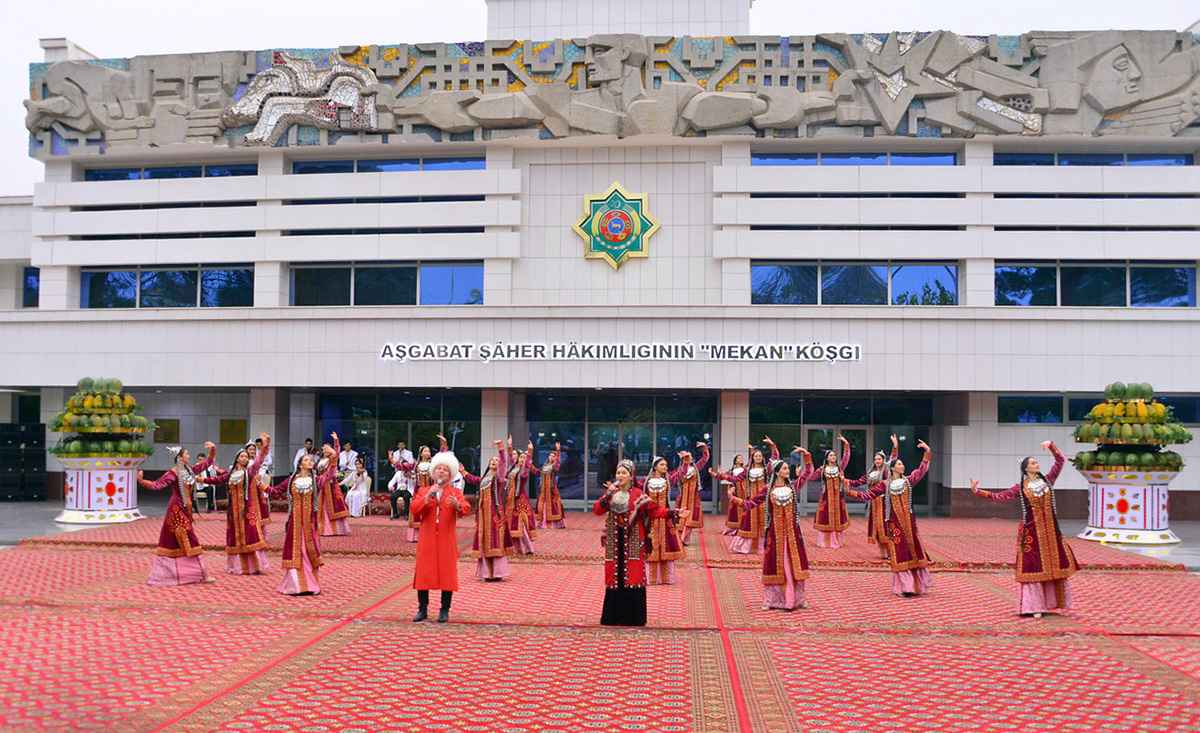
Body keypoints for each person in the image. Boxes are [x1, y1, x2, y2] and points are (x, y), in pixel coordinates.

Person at [971, 441, 1078, 618]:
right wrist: (978, 491)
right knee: (1034, 567)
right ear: (1026, 468)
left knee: (1054, 564)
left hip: (1051, 532)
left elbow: (1060, 461)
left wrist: (1051, 446)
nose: (1037, 465)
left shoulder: (1048, 480)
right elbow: (999, 497)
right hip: (1032, 533)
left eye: (1037, 462)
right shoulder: (1020, 487)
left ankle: (1051, 603)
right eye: (1034, 463)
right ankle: (1035, 606)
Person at [594, 459, 676, 626]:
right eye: (618, 472)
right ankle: (613, 617)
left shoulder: (638, 494)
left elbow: (654, 510)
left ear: (631, 476)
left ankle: (634, 617)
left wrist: (672, 512)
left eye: (624, 473)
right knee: (614, 574)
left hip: (633, 538)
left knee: (633, 572)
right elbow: (597, 510)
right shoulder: (611, 494)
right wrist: (607, 494)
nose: (620, 476)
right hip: (614, 539)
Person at [848, 440, 934, 597]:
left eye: (902, 464)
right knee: (900, 553)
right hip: (894, 525)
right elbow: (868, 495)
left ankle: (916, 585)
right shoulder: (884, 484)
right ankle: (905, 586)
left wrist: (927, 452)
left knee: (913, 551)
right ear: (893, 468)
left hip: (909, 524)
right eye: (900, 464)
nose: (902, 466)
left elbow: (921, 470)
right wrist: (851, 492)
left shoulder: (908, 480)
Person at [732, 455, 813, 611]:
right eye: (784, 468)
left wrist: (807, 457)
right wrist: (734, 499)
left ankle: (797, 599)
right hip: (775, 535)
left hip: (792, 535)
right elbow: (751, 503)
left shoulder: (792, 487)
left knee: (794, 564)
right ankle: (773, 600)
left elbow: (808, 473)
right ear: (777, 472)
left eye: (787, 468)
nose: (787, 470)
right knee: (776, 565)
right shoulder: (768, 490)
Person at [137, 442, 217, 586]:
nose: (189, 456)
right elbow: (157, 485)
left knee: (177, 543)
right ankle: (201, 575)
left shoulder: (190, 470)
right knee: (189, 540)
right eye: (186, 454)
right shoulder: (173, 473)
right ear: (180, 457)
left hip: (185, 510)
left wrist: (212, 450)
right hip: (176, 511)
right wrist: (141, 481)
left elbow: (207, 464)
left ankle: (182, 575)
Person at [197, 433, 271, 575]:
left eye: (245, 456)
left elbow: (258, 461)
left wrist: (264, 447)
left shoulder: (249, 472)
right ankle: (236, 566)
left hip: (246, 509)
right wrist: (202, 480)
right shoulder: (230, 474)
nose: (243, 458)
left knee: (249, 535)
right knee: (234, 536)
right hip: (233, 511)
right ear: (237, 458)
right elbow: (217, 480)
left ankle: (252, 566)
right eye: (241, 456)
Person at [411, 451, 471, 622]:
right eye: (438, 468)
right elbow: (414, 509)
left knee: (447, 573)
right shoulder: (424, 490)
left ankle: (445, 609)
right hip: (427, 538)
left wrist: (458, 505)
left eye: (445, 469)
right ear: (433, 471)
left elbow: (466, 508)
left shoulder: (455, 492)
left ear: (450, 473)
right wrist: (427, 497)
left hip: (446, 538)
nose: (441, 471)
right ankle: (422, 609)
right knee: (423, 572)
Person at [279, 445, 335, 596]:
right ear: (300, 464)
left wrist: (333, 454)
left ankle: (310, 584)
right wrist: (262, 485)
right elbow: (275, 491)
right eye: (306, 459)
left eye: (311, 460)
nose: (310, 461)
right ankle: (295, 585)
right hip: (295, 523)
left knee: (308, 551)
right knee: (296, 551)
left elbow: (329, 474)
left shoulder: (315, 480)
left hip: (309, 524)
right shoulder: (291, 480)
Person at [464, 441, 514, 581]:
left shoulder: (499, 477)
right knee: (484, 541)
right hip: (483, 515)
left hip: (494, 514)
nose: (494, 462)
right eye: (492, 460)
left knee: (495, 540)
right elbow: (474, 480)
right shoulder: (485, 478)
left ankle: (497, 573)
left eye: (496, 461)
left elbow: (503, 464)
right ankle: (486, 573)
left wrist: (501, 449)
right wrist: (463, 472)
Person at [848, 435, 899, 559]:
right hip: (873, 503)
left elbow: (893, 458)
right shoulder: (871, 473)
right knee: (876, 529)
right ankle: (883, 553)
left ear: (883, 460)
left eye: (879, 459)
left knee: (886, 527)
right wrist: (845, 481)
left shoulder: (886, 470)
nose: (877, 461)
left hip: (884, 502)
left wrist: (895, 445)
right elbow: (859, 482)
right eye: (876, 459)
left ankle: (891, 553)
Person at [729, 439, 778, 554]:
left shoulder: (767, 469)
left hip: (764, 500)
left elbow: (775, 458)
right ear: (752, 458)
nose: (758, 457)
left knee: (764, 522)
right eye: (756, 456)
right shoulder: (747, 470)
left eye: (760, 456)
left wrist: (772, 445)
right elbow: (734, 478)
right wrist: (718, 475)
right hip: (751, 500)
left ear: (762, 458)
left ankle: (763, 547)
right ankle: (746, 547)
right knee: (748, 522)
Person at [642, 456, 685, 585]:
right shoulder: (646, 482)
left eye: (666, 465)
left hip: (666, 518)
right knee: (651, 547)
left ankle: (667, 578)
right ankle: (652, 578)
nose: (665, 467)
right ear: (655, 466)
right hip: (651, 519)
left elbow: (680, 474)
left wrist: (685, 462)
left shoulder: (667, 480)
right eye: (662, 465)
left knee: (667, 546)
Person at [810, 435, 851, 549]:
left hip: (838, 497)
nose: (833, 457)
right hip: (826, 498)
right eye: (831, 455)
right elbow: (812, 477)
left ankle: (836, 541)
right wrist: (800, 474)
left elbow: (846, 457)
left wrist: (846, 444)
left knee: (838, 518)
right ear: (827, 458)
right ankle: (825, 542)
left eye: (834, 455)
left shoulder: (840, 468)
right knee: (825, 517)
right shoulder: (822, 469)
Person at [671, 442, 709, 545]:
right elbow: (676, 478)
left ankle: (683, 539)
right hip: (683, 497)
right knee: (681, 519)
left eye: (691, 457)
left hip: (693, 498)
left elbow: (705, 459)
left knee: (691, 519)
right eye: (687, 457)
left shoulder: (696, 467)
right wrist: (685, 463)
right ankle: (682, 539)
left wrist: (704, 448)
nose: (690, 459)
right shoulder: (680, 470)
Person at [504, 437, 537, 555]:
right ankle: (517, 549)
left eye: (515, 454)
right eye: (513, 455)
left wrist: (530, 452)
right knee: (512, 525)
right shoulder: (513, 468)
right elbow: (509, 458)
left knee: (520, 525)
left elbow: (527, 467)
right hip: (510, 500)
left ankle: (529, 548)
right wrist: (509, 446)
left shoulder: (523, 471)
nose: (513, 456)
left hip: (520, 500)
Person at [315, 437, 350, 536]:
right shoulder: (321, 460)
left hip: (331, 486)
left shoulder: (332, 460)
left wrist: (336, 441)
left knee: (332, 507)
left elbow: (337, 452)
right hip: (322, 485)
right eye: (323, 449)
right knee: (321, 507)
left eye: (326, 449)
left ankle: (333, 529)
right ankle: (323, 528)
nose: (324, 450)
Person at [535, 442, 566, 529]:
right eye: (550, 455)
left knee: (554, 506)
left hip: (552, 490)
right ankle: (542, 522)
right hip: (543, 490)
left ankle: (555, 524)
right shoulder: (545, 466)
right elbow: (537, 472)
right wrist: (529, 466)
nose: (551, 457)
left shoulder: (554, 466)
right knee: (542, 506)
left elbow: (558, 462)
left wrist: (558, 451)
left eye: (553, 456)